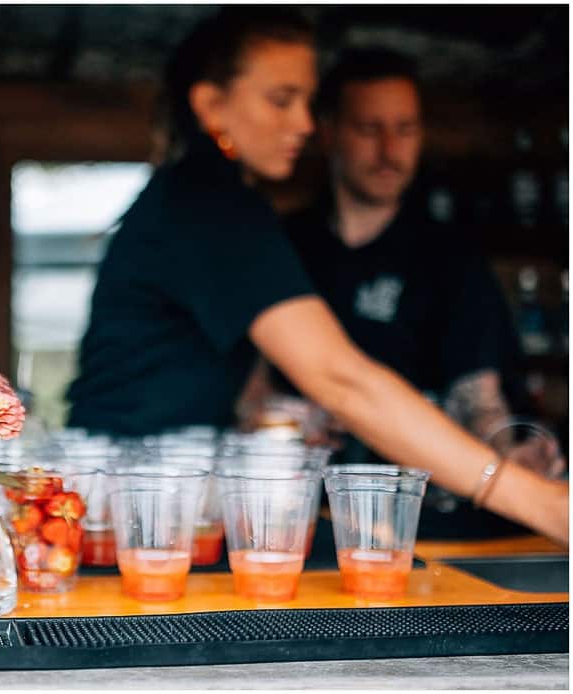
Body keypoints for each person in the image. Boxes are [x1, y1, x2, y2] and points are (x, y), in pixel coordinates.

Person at [63, 8, 568, 544]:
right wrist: (543, 503)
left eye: (306, 101)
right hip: (133, 508)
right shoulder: (212, 206)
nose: (304, 124)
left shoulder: (202, 198)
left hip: (138, 499)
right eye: (281, 100)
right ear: (211, 104)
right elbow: (341, 378)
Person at [249, 48, 563, 481]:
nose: (390, 149)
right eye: (369, 129)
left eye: (405, 129)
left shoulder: (451, 256)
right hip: (301, 503)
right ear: (327, 133)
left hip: (423, 503)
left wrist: (512, 460)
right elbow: (246, 388)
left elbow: (480, 400)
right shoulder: (280, 245)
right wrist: (278, 417)